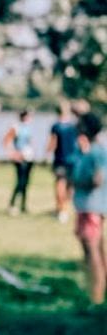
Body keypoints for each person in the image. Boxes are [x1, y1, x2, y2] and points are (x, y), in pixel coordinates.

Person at [71, 113, 106, 304]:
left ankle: (96, 295)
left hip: (90, 207)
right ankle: (99, 291)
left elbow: (97, 179)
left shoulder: (95, 152)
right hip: (93, 206)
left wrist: (77, 181)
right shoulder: (96, 150)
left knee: (92, 251)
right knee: (99, 248)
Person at [46, 101, 80, 223]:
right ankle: (64, 208)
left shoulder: (56, 126)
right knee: (70, 186)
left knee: (60, 184)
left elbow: (52, 144)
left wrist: (46, 154)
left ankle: (61, 210)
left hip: (60, 159)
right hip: (74, 160)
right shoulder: (74, 125)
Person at [3, 109, 36, 215]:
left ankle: (23, 205)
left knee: (26, 183)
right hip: (20, 158)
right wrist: (13, 154)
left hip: (28, 157)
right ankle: (12, 204)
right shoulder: (16, 127)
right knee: (20, 182)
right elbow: (6, 140)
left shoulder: (28, 128)